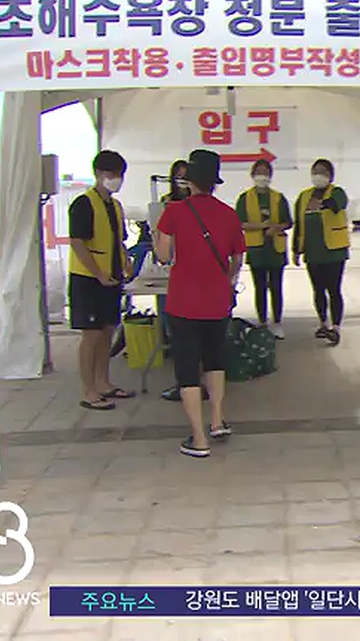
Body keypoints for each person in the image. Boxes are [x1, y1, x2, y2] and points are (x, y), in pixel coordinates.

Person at [155, 150, 246, 458]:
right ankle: (217, 420)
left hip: (183, 302)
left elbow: (163, 255)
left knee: (187, 369)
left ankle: (198, 438)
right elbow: (237, 258)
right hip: (217, 301)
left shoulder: (174, 212)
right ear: (214, 182)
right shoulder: (229, 214)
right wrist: (227, 279)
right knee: (215, 360)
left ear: (189, 181)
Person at [68, 149, 137, 411]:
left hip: (112, 278)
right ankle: (89, 390)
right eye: (111, 174)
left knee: (108, 330)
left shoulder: (115, 206)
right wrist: (98, 273)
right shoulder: (83, 203)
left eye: (119, 174)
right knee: (92, 335)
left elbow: (119, 240)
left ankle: (103, 382)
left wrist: (125, 261)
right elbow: (77, 242)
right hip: (88, 279)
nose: (116, 179)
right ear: (98, 173)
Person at [293, 158, 350, 345]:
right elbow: (299, 224)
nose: (318, 175)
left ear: (330, 175)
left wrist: (322, 204)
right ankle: (323, 323)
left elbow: (337, 204)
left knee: (333, 289)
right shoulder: (304, 197)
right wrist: (296, 250)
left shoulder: (337, 192)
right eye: (315, 171)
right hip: (312, 251)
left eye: (323, 172)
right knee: (318, 290)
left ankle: (336, 327)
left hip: (334, 251)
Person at [236, 158, 291, 339]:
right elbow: (240, 223)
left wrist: (276, 227)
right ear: (252, 175)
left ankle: (277, 322)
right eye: (259, 172)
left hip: (275, 248)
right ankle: (262, 321)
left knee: (276, 286)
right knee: (259, 287)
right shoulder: (245, 198)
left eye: (266, 173)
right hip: (256, 249)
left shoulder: (278, 198)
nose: (262, 176)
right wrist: (260, 226)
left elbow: (288, 222)